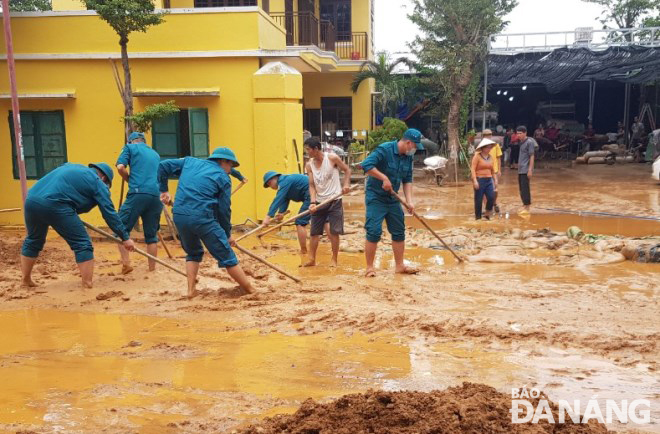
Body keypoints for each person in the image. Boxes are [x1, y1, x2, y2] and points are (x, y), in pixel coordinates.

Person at [158, 147, 255, 298]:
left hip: (179, 215)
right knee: (227, 255)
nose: (230, 170)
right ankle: (250, 290)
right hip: (202, 217)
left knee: (193, 253)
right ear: (224, 161)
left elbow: (162, 166)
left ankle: (191, 291)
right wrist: (227, 235)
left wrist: (163, 190)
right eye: (231, 166)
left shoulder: (189, 162)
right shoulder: (223, 178)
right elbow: (223, 211)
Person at [20, 162, 135, 288]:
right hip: (56, 204)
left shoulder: (70, 167)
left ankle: (26, 281)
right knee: (83, 244)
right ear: (103, 178)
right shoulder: (97, 182)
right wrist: (125, 237)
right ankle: (87, 285)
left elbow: (64, 190)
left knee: (33, 240)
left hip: (31, 200)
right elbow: (109, 213)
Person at [360, 128, 424, 277]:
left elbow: (407, 179)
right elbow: (366, 165)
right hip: (376, 197)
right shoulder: (385, 149)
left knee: (398, 231)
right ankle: (369, 268)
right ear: (408, 143)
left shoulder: (408, 157)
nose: (415, 150)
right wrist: (383, 178)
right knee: (374, 231)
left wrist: (409, 202)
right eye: (415, 146)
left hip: (393, 199)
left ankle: (400, 266)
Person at [115, 132, 163, 274]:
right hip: (156, 196)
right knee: (151, 236)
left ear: (131, 142)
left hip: (138, 193)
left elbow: (120, 167)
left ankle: (126, 264)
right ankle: (152, 270)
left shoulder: (129, 148)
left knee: (120, 230)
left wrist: (128, 179)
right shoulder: (155, 154)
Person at [303, 137, 352, 267]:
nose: (307, 152)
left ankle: (334, 259)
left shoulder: (332, 158)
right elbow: (312, 185)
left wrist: (346, 184)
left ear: (316, 149)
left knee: (334, 232)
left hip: (334, 200)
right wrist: (313, 202)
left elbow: (347, 170)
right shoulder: (309, 165)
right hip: (319, 202)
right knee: (314, 232)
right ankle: (311, 259)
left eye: (308, 149)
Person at [263, 171, 311, 255]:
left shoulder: (284, 181)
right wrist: (281, 213)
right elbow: (285, 198)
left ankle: (304, 251)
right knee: (324, 220)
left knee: (300, 222)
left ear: (274, 178)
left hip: (311, 195)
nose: (270, 187)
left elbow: (278, 198)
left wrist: (268, 216)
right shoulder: (285, 183)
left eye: (269, 184)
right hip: (312, 194)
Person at [471, 139, 498, 220]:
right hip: (480, 179)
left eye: (490, 147)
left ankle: (487, 213)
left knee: (491, 197)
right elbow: (473, 169)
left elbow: (492, 170)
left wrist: (495, 180)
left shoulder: (490, 157)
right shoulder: (477, 156)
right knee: (478, 200)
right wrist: (475, 181)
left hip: (489, 180)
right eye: (488, 147)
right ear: (483, 148)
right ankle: (478, 218)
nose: (489, 149)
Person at [516, 126, 536, 214]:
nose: (518, 135)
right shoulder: (521, 143)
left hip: (526, 169)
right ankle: (524, 205)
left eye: (520, 133)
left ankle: (527, 207)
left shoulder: (529, 142)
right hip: (520, 169)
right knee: (521, 188)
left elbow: (532, 156)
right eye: (517, 133)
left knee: (525, 189)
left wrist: (530, 170)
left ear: (525, 133)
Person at [482, 129, 503, 214]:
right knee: (483, 190)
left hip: (494, 171)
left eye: (489, 135)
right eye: (486, 135)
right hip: (484, 171)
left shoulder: (495, 145)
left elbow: (498, 158)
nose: (488, 136)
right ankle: (487, 208)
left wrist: (499, 170)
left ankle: (494, 202)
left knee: (495, 190)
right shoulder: (480, 146)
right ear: (483, 136)